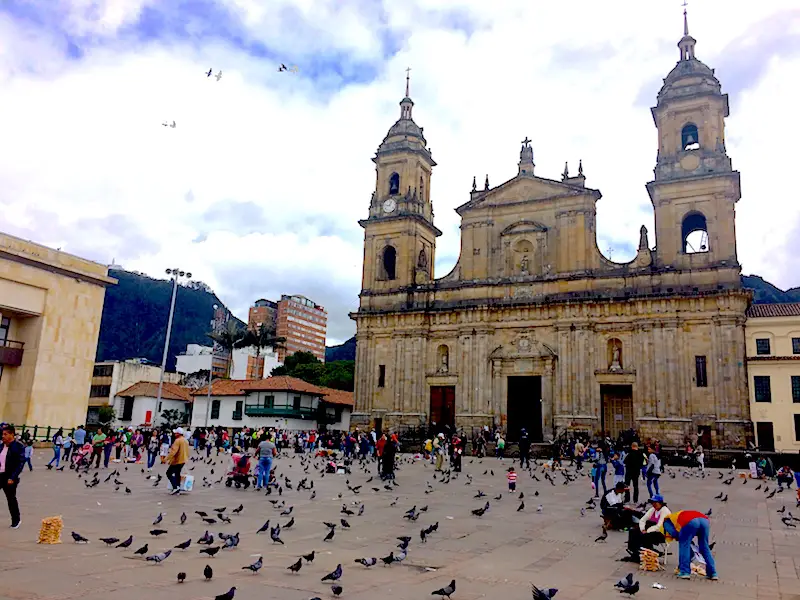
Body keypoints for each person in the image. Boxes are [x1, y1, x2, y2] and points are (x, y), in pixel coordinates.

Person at [660, 508, 718, 580]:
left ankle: (684, 572)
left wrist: (678, 537)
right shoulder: (677, 516)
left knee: (684, 545)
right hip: (704, 521)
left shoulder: (666, 522)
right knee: (704, 546)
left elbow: (675, 534)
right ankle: (712, 573)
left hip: (690, 521)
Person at [626, 494, 669, 560]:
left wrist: (647, 531)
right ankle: (634, 551)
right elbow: (642, 520)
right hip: (652, 530)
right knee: (633, 531)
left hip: (661, 533)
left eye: (655, 503)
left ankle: (648, 553)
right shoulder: (652, 509)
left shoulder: (665, 511)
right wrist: (642, 529)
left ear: (660, 503)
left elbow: (659, 526)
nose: (653, 504)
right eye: (652, 503)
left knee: (645, 536)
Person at [1, 425, 25, 528]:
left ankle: (16, 520)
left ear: (12, 434)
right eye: (2, 434)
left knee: (11, 499)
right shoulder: (1, 446)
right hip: (0, 475)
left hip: (10, 477)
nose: (3, 436)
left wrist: (13, 477)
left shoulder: (18, 447)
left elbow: (20, 463)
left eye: (6, 434)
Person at [165, 427, 189, 495]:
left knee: (169, 473)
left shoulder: (177, 441)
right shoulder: (185, 440)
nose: (174, 434)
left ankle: (175, 487)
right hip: (183, 460)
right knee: (177, 474)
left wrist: (167, 458)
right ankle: (177, 488)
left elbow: (173, 451)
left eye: (176, 433)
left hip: (177, 460)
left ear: (178, 434)